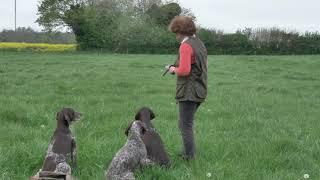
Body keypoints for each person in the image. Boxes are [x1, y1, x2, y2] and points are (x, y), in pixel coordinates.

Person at [168, 16, 208, 160]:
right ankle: (187, 152)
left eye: (176, 33)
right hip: (200, 89)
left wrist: (173, 69)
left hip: (189, 91)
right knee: (185, 123)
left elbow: (184, 70)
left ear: (181, 31)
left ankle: (189, 157)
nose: (176, 37)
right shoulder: (199, 43)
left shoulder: (185, 46)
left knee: (185, 125)